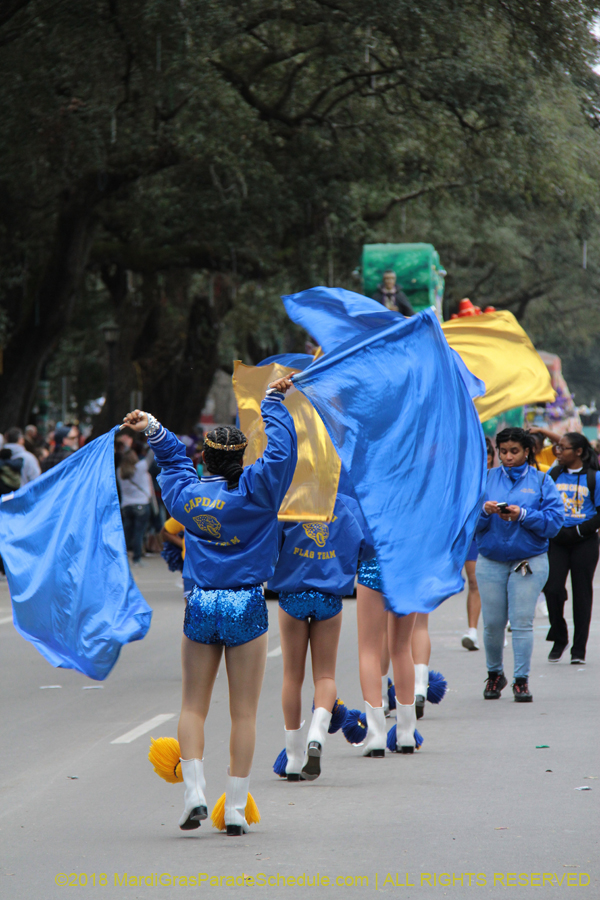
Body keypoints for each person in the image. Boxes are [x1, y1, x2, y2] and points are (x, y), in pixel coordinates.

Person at [122, 374, 297, 836]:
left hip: (200, 602)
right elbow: (281, 453)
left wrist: (152, 428)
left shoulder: (186, 494)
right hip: (246, 604)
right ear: (243, 457)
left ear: (205, 457)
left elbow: (172, 461)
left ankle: (193, 793)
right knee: (243, 713)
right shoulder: (259, 490)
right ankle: (235, 808)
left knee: (193, 705)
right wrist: (273, 401)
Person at [267, 493, 372, 781]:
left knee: (292, 677)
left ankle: (292, 757)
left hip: (292, 596)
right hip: (329, 596)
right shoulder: (344, 504)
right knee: (325, 676)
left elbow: (270, 547)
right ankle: (317, 733)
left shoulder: (287, 502)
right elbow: (365, 547)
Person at [475, 428, 564, 702]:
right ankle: (495, 674)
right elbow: (467, 525)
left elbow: (554, 523)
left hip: (529, 559)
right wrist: (483, 511)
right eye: (503, 451)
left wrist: (524, 515)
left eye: (514, 451)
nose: (508, 457)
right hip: (490, 559)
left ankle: (521, 680)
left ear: (527, 451)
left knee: (522, 622)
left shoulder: (541, 480)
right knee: (492, 623)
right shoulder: (485, 479)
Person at [544, 432, 600, 665]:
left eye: (563, 448)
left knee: (582, 593)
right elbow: (543, 503)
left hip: (584, 541)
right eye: (557, 447)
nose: (558, 452)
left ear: (578, 452)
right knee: (552, 588)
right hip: (556, 540)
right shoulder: (553, 474)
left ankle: (579, 649)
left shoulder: (594, 477)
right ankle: (559, 636)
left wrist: (580, 530)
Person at [356, 557, 417, 755]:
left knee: (369, 651)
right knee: (402, 648)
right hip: (407, 566)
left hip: (373, 562)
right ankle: (407, 733)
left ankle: (376, 735)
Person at [462, 436, 495, 650]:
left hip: (495, 535)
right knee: (474, 582)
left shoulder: (498, 478)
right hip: (472, 536)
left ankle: (497, 626)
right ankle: (472, 632)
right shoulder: (463, 478)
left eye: (487, 455)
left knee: (497, 583)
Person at [117, 444, 154, 566]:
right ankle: (136, 558)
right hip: (142, 503)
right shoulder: (140, 467)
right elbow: (151, 456)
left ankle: (121, 556)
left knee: (127, 532)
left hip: (126, 505)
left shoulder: (120, 471)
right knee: (139, 532)